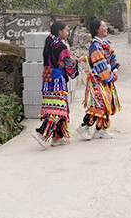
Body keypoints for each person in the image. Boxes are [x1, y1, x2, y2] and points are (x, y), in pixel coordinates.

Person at [32, 21, 78, 149]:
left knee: (52, 107)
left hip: (47, 80)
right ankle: (41, 133)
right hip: (57, 80)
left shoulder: (50, 43)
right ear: (60, 32)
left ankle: (58, 137)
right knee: (58, 109)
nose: (67, 33)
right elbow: (70, 65)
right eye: (66, 30)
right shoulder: (60, 47)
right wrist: (79, 61)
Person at [77, 18, 120, 140]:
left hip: (106, 80)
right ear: (97, 29)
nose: (106, 28)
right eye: (103, 26)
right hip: (98, 80)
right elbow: (100, 65)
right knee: (98, 104)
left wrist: (115, 70)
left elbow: (113, 57)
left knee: (106, 105)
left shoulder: (106, 43)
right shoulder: (95, 46)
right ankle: (84, 126)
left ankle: (100, 129)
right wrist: (110, 77)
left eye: (106, 26)